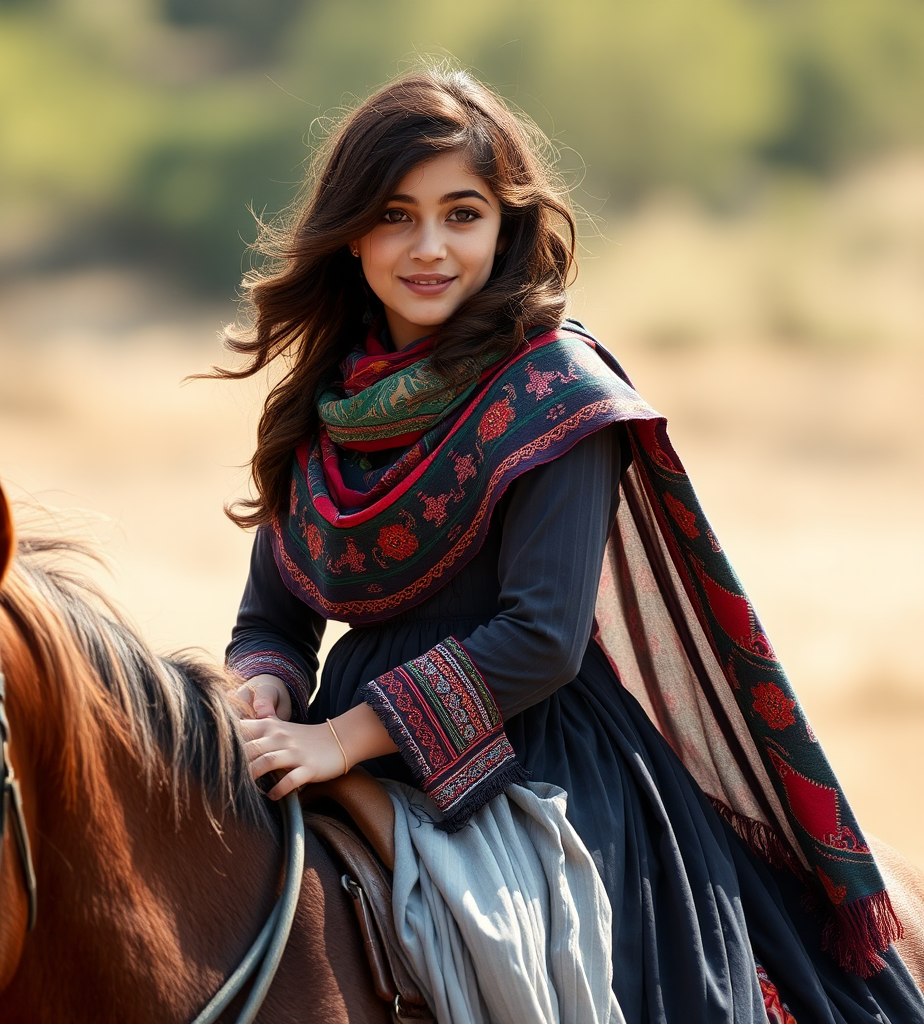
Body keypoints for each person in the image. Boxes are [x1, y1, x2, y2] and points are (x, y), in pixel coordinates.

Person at [218, 67, 923, 1023]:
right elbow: (276, 611)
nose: (429, 248)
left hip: (535, 760)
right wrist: (262, 684)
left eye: (462, 214)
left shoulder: (557, 391)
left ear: (506, 229)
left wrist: (339, 739)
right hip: (335, 746)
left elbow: (540, 639)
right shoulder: (328, 403)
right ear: (351, 236)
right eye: (396, 216)